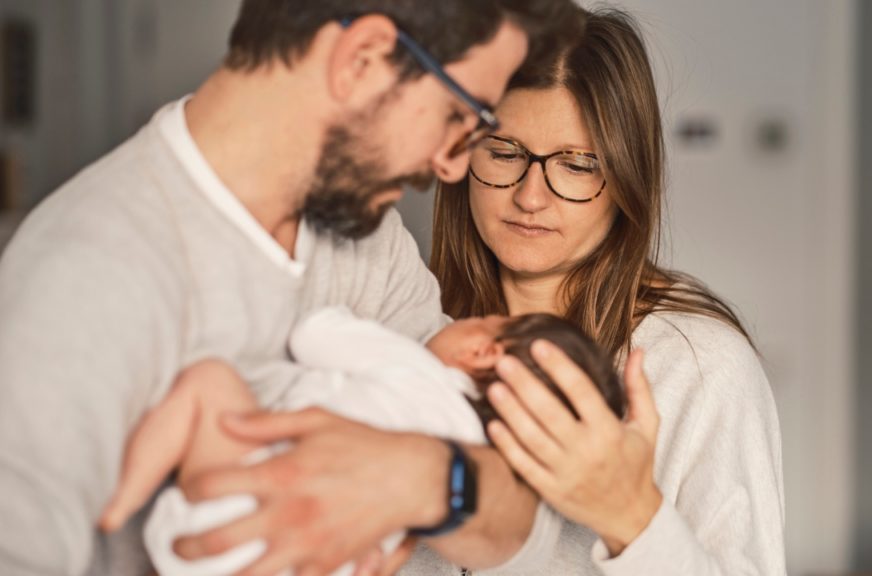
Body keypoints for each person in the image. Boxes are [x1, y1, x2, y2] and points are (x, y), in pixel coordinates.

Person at [0, 1, 587, 574]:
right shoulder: (82, 279)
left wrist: (430, 477)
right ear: (362, 57)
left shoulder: (366, 235)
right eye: (462, 117)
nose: (453, 166)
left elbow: (524, 533)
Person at [427, 7, 787, 575]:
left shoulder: (701, 368)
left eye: (575, 165)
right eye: (504, 153)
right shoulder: (407, 328)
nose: (530, 197)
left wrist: (631, 518)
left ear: (626, 179)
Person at [98, 310, 623, 576]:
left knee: (208, 382)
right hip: (313, 560)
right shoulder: (471, 450)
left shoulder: (413, 368)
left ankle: (117, 504)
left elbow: (315, 332)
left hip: (232, 511)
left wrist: (368, 332)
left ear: (484, 348)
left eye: (481, 318)